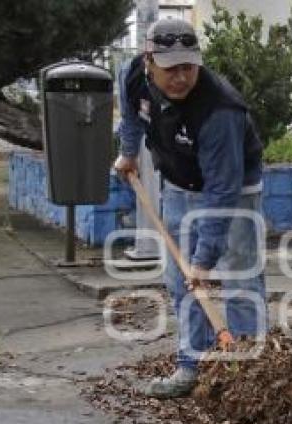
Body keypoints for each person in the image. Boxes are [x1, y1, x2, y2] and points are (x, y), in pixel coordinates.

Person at [114, 18, 266, 398]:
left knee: (240, 278)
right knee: (181, 283)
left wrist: (204, 258)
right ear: (148, 61)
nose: (181, 77)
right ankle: (190, 366)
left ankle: (252, 374)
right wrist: (128, 153)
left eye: (188, 66)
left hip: (234, 190)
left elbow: (222, 190)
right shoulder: (132, 76)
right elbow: (132, 113)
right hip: (179, 184)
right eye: (171, 69)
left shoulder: (220, 110)